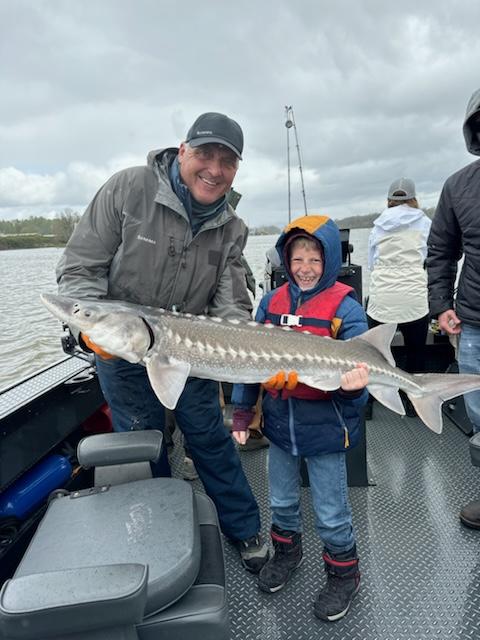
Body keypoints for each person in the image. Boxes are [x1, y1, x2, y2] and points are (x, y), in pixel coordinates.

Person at [56, 111, 270, 573]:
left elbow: (231, 306)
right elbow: (78, 273)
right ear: (183, 149)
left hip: (189, 355)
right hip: (122, 351)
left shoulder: (232, 228)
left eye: (227, 162)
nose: (214, 169)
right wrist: (91, 332)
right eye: (206, 155)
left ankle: (244, 529)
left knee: (210, 439)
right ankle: (157, 539)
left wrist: (258, 358)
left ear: (236, 169)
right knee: (143, 443)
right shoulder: (129, 189)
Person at [231, 215, 369, 622]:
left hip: (327, 429)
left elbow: (359, 380)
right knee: (281, 501)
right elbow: (244, 363)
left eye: (314, 259)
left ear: (329, 261)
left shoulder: (346, 307)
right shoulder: (269, 303)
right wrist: (242, 413)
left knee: (331, 510)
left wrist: (353, 385)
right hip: (279, 427)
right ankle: (288, 555)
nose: (305, 267)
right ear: (285, 261)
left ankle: (345, 573)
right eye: (297, 259)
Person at [427, 88, 480, 529]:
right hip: (475, 323)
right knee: (479, 413)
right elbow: (441, 251)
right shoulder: (458, 186)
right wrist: (442, 304)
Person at [366, 177, 431, 418]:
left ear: (389, 200)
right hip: (414, 301)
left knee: (374, 353)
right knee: (416, 351)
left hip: (383, 300)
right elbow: (429, 256)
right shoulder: (425, 223)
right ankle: (414, 404)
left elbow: (373, 264)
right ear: (413, 199)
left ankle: (372, 402)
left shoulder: (378, 225)